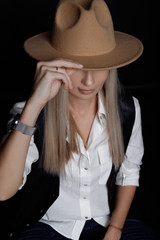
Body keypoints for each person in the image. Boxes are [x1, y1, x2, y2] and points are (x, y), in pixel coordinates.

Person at [0, 0, 158, 239]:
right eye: (77, 67)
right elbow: (3, 190)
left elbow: (129, 172)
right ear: (56, 63)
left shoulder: (128, 109)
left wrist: (115, 230)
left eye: (100, 67)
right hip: (48, 229)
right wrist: (34, 105)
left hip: (109, 224)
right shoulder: (29, 113)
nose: (89, 81)